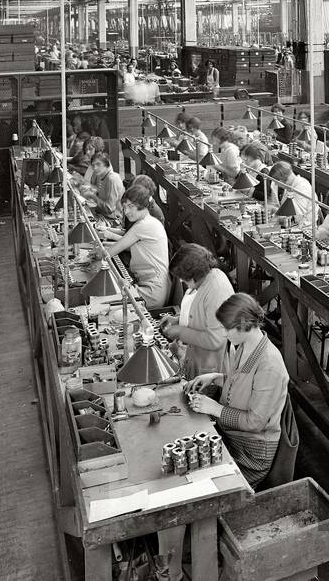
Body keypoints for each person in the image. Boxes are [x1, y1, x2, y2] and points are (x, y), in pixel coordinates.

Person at [185, 293, 289, 486]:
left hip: (251, 451)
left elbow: (254, 422)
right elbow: (244, 385)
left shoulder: (270, 365)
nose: (224, 333)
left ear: (244, 325)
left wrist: (215, 408)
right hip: (231, 435)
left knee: (204, 483)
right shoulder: (244, 346)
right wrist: (216, 378)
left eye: (227, 328)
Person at [161, 244, 232, 377]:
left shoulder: (216, 290)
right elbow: (201, 316)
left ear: (194, 273)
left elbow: (215, 340)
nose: (181, 280)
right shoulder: (205, 279)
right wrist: (178, 319)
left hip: (207, 369)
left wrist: (181, 332)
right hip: (193, 358)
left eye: (183, 277)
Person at [96, 186, 169, 307]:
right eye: (124, 207)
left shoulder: (143, 226)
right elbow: (133, 247)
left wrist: (94, 254)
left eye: (130, 207)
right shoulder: (150, 222)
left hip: (151, 292)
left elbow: (109, 253)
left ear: (143, 205)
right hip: (155, 287)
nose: (126, 212)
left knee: (102, 304)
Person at [269, 161, 315, 229]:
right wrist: (277, 210)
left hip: (304, 228)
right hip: (291, 225)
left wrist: (279, 217)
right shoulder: (289, 186)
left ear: (282, 180)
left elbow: (298, 216)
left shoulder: (301, 187)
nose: (276, 185)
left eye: (276, 183)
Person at [85, 152, 125, 224]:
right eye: (93, 165)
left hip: (113, 220)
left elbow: (109, 208)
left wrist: (93, 197)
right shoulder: (104, 177)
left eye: (98, 164)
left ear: (106, 165)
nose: (95, 168)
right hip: (104, 215)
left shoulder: (111, 179)